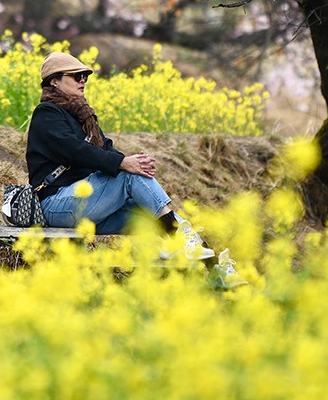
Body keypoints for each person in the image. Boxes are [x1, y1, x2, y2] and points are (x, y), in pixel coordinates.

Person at [26, 50, 213, 259]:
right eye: (76, 76)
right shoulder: (46, 114)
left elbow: (105, 148)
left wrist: (135, 162)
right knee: (128, 174)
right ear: (54, 82)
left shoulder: (82, 116)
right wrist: (124, 164)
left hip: (86, 204)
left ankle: (213, 265)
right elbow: (75, 151)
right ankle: (182, 239)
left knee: (146, 213)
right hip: (57, 205)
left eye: (84, 77)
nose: (82, 81)